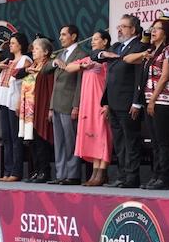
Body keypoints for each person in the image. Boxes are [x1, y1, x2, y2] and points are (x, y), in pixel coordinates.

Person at [125, 16, 169, 190]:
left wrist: (153, 100)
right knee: (154, 141)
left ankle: (165, 178)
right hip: (150, 100)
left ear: (166, 33)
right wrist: (143, 53)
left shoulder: (168, 50)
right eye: (152, 28)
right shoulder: (150, 51)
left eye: (157, 29)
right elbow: (127, 59)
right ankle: (156, 176)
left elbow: (164, 77)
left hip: (162, 100)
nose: (153, 31)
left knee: (162, 141)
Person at [95, 14, 147, 188]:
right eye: (119, 26)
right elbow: (95, 55)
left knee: (131, 141)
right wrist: (103, 53)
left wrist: (136, 102)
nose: (119, 29)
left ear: (133, 29)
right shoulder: (116, 47)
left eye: (123, 26)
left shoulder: (139, 46)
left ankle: (132, 177)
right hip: (113, 102)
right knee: (119, 142)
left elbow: (139, 77)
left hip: (128, 103)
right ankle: (122, 175)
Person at [64, 30, 114, 186]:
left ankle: (102, 172)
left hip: (100, 102)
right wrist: (83, 65)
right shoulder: (88, 58)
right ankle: (95, 172)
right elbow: (68, 68)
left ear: (105, 42)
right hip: (87, 104)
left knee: (102, 136)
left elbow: (111, 83)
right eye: (92, 39)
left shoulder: (107, 59)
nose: (92, 42)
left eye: (96, 39)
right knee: (91, 136)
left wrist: (108, 104)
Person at [44, 25, 87, 185]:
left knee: (70, 141)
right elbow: (46, 70)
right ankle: (61, 174)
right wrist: (50, 107)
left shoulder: (81, 54)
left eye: (64, 35)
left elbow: (79, 83)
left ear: (73, 36)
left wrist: (76, 105)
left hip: (69, 104)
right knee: (59, 142)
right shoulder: (60, 54)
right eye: (60, 35)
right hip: (56, 104)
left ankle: (73, 175)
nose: (61, 38)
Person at [0, 33, 32, 182]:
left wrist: (21, 103)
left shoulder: (25, 60)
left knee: (15, 137)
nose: (11, 45)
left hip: (15, 100)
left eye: (13, 43)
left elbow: (26, 82)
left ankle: (16, 171)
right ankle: (7, 171)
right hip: (3, 99)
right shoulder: (8, 61)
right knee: (6, 137)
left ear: (20, 45)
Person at [19, 36, 55, 184]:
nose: (33, 51)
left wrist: (50, 109)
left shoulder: (48, 66)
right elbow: (18, 75)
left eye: (37, 49)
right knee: (32, 141)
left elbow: (51, 88)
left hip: (41, 107)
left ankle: (44, 171)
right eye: (33, 48)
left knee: (41, 141)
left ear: (45, 52)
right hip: (29, 110)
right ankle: (36, 170)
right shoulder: (32, 65)